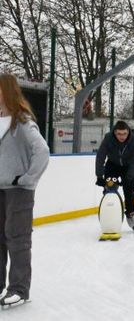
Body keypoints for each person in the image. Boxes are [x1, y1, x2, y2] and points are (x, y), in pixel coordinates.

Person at [0, 74, 49, 307]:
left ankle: (19, 288)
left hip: (18, 191)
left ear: (6, 91)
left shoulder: (22, 120)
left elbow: (42, 151)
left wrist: (28, 178)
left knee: (17, 239)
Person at [96, 120, 134, 231]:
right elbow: (100, 156)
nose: (122, 137)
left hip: (128, 167)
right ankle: (108, 215)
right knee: (109, 189)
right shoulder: (108, 138)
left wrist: (129, 177)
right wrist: (99, 176)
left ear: (128, 132)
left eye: (124, 133)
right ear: (115, 132)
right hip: (113, 165)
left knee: (129, 191)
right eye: (119, 134)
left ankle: (130, 216)